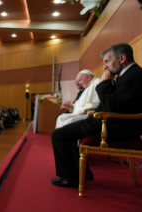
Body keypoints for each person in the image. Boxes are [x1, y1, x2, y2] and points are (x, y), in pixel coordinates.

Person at [51, 43, 142, 187]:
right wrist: (96, 111)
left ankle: (70, 177)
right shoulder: (129, 74)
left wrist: (105, 82)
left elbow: (112, 105)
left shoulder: (135, 76)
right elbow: (115, 103)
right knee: (68, 132)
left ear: (122, 58)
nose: (105, 67)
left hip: (116, 126)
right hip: (112, 121)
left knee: (59, 135)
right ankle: (83, 173)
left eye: (107, 61)